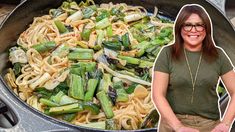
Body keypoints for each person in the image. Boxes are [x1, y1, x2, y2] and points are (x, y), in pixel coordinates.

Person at [152, 4, 235, 132]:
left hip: (208, 125)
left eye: (199, 25)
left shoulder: (218, 55)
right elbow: (158, 94)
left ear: (206, 28)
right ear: (179, 27)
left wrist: (226, 123)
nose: (193, 30)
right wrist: (178, 127)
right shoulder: (167, 53)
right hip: (172, 124)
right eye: (187, 25)